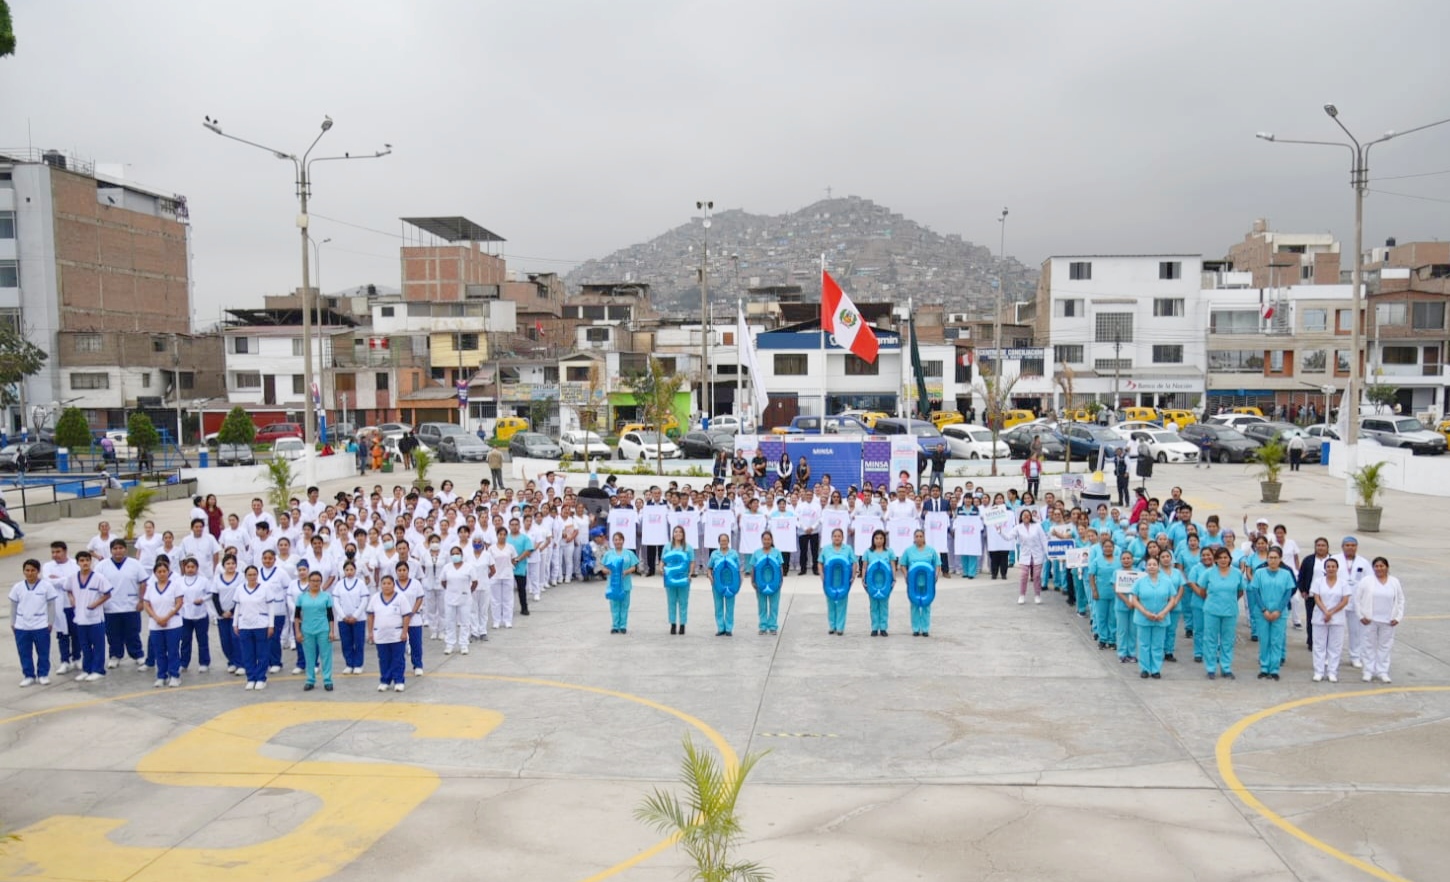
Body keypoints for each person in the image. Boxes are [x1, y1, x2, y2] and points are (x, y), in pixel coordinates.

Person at [11, 558, 64, 687]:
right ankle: (28, 675)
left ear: (38, 571)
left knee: (43, 652)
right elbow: (13, 606)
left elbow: (51, 605)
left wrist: (50, 622)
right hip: (22, 626)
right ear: (23, 571)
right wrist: (13, 623)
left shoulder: (46, 586)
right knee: (24, 652)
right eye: (27, 570)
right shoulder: (18, 587)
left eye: (33, 570)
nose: (30, 573)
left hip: (40, 625)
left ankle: (43, 674)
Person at [1355, 557, 1405, 684]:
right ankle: (1368, 671)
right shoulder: (1366, 581)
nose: (1379, 568)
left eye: (1382, 566)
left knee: (1385, 646)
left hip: (1388, 620)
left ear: (1387, 567)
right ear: (1373, 568)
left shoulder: (1394, 582)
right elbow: (1357, 600)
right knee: (1368, 646)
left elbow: (1400, 600)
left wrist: (1398, 617)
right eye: (1376, 566)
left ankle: (1382, 671)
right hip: (1370, 619)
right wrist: (1361, 616)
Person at [1201, 546, 1246, 680]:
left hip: (1230, 611)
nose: (1223, 560)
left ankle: (1226, 667)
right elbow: (1202, 590)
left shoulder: (1237, 573)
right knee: (1210, 640)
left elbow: (1240, 591)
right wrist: (1212, 601)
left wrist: (1230, 600)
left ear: (1230, 559)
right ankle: (1210, 668)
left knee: (1227, 640)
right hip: (1211, 610)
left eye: (1225, 557)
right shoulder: (1209, 573)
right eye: (1220, 558)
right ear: (1215, 559)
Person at [1130, 557, 1178, 679]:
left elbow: (1172, 599)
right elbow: (1134, 599)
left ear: (1158, 567)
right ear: (1146, 567)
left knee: (1157, 644)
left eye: (1154, 564)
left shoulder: (1167, 581)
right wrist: (1145, 612)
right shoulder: (1140, 582)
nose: (1151, 566)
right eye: (1149, 564)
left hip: (1161, 617)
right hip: (1143, 617)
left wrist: (1164, 612)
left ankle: (1156, 669)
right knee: (1144, 644)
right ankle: (1145, 669)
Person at [143, 559, 185, 688]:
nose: (162, 574)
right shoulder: (150, 587)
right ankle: (161, 675)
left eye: (164, 571)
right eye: (159, 571)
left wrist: (166, 618)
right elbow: (146, 604)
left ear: (168, 572)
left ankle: (174, 675)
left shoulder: (175, 585)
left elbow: (179, 603)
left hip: (173, 624)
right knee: (159, 651)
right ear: (155, 573)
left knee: (173, 650)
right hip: (156, 625)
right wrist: (157, 618)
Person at [292, 570, 336, 691]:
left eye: (318, 581)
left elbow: (330, 615)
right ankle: (310, 680)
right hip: (307, 629)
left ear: (321, 582)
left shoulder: (326, 596)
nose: (315, 583)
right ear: (308, 582)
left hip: (323, 629)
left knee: (326, 656)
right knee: (309, 656)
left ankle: (327, 680)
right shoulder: (301, 597)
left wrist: (332, 631)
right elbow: (296, 616)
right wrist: (297, 631)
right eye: (313, 581)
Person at [367, 574, 411, 692]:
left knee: (398, 658)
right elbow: (370, 616)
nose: (386, 586)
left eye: (389, 583)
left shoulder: (400, 598)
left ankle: (399, 681)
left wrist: (404, 632)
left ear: (393, 585)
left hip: (396, 634)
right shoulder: (375, 598)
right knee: (383, 658)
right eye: (384, 583)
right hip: (380, 634)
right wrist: (370, 632)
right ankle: (385, 680)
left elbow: (406, 616)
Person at [232, 565, 273, 690]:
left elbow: (271, 607)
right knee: (247, 653)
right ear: (245, 576)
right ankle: (251, 677)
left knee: (262, 652)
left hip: (261, 623)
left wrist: (271, 625)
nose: (252, 577)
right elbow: (237, 607)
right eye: (249, 575)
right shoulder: (240, 589)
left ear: (257, 575)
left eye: (254, 574)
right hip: (245, 624)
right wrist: (235, 623)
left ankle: (261, 678)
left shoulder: (265, 588)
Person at [1309, 557, 1349, 682]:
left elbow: (1345, 600)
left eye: (1333, 566)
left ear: (1337, 568)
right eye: (1328, 566)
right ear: (1325, 568)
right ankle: (1318, 672)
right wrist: (1325, 612)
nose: (1331, 569)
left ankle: (1332, 672)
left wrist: (1331, 612)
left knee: (1335, 647)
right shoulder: (1318, 582)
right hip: (1320, 617)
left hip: (1337, 618)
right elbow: (1317, 598)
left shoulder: (1343, 583)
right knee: (1319, 646)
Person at [439, 544, 479, 655]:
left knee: (465, 622)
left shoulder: (468, 567)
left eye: (457, 553)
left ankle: (464, 644)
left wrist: (468, 591)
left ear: (461, 555)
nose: (455, 555)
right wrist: (450, 590)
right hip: (450, 598)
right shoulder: (447, 567)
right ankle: (450, 644)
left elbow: (475, 582)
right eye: (453, 554)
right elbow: (442, 581)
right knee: (450, 621)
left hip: (465, 598)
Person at [899, 529, 940, 637]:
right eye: (916, 536)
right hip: (913, 584)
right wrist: (906, 574)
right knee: (914, 605)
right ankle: (916, 629)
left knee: (926, 605)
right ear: (914, 538)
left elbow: (937, 564)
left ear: (924, 537)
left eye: (921, 536)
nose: (919, 538)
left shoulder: (931, 551)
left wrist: (936, 575)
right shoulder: (909, 551)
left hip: (927, 584)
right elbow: (902, 564)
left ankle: (925, 629)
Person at [333, 559, 370, 674]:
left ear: (355, 570)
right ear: (343, 571)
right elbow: (336, 601)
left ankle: (358, 664)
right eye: (347, 570)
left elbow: (364, 600)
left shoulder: (360, 583)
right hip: (343, 619)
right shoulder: (339, 584)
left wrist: (355, 615)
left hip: (358, 619)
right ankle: (349, 664)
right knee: (346, 642)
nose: (349, 572)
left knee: (358, 642)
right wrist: (343, 616)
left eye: (351, 569)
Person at [176, 557, 212, 674]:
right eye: (188, 567)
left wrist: (202, 599)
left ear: (197, 568)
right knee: (185, 640)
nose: (190, 569)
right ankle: (184, 662)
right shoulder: (179, 581)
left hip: (200, 614)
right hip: (185, 615)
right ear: (184, 568)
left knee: (202, 640)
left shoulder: (203, 580)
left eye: (193, 567)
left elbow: (211, 594)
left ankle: (204, 662)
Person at [599, 532, 639, 634]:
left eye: (620, 539)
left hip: (625, 584)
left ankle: (623, 625)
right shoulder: (608, 554)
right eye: (616, 540)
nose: (618, 542)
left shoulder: (629, 553)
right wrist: (609, 571)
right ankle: (615, 626)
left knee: (625, 605)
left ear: (623, 541)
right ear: (613, 541)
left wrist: (625, 572)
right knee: (614, 606)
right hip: (613, 585)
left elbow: (634, 567)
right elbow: (603, 568)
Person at [859, 529, 895, 637]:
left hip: (886, 582)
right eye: (876, 538)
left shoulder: (889, 552)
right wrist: (863, 580)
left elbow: (893, 566)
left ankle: (883, 628)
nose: (879, 540)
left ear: (884, 540)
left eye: (881, 538)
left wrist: (894, 580)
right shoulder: (868, 552)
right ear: (873, 539)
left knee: (884, 605)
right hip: (872, 583)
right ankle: (874, 627)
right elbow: (864, 567)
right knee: (873, 605)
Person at [821, 528, 855, 635]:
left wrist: (853, 575)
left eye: (839, 536)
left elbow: (854, 562)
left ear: (843, 537)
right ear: (832, 537)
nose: (837, 538)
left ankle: (840, 627)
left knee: (842, 603)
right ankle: (832, 626)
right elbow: (820, 562)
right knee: (830, 603)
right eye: (835, 536)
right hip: (829, 580)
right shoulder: (826, 549)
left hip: (843, 580)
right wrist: (821, 575)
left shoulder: (848, 549)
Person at [747, 530, 783, 635]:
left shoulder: (777, 552)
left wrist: (781, 581)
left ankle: (773, 626)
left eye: (768, 539)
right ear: (762, 540)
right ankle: (763, 626)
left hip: (775, 583)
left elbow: (780, 567)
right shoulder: (757, 553)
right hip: (760, 584)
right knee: (762, 606)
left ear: (771, 540)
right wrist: (752, 581)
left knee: (774, 606)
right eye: (764, 539)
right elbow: (753, 567)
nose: (766, 541)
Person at [707, 532, 741, 637]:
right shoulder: (714, 554)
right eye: (722, 541)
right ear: (719, 542)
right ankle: (721, 628)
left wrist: (739, 582)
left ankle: (729, 628)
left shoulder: (734, 554)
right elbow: (709, 568)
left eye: (725, 540)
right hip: (717, 584)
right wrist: (709, 576)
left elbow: (738, 569)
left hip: (731, 583)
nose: (724, 542)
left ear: (728, 541)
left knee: (730, 606)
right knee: (718, 606)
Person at [1013, 508, 1049, 605]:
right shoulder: (1018, 527)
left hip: (1037, 555)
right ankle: (1022, 595)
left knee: (1037, 576)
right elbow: (1008, 537)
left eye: (1028, 515)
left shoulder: (1037, 526)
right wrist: (1000, 531)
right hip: (1025, 555)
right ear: (1021, 517)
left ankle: (1037, 595)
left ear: (1031, 516)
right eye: (1024, 515)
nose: (1026, 517)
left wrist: (1047, 553)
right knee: (1023, 576)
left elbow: (1044, 539)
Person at [662, 525, 694, 635]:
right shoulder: (667, 547)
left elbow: (692, 562)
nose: (678, 533)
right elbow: (662, 560)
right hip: (670, 579)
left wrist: (690, 573)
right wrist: (661, 568)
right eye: (676, 531)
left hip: (683, 578)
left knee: (683, 602)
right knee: (671, 601)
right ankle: (673, 624)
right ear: (673, 534)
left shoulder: (688, 548)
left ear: (683, 534)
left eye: (680, 532)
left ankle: (682, 624)